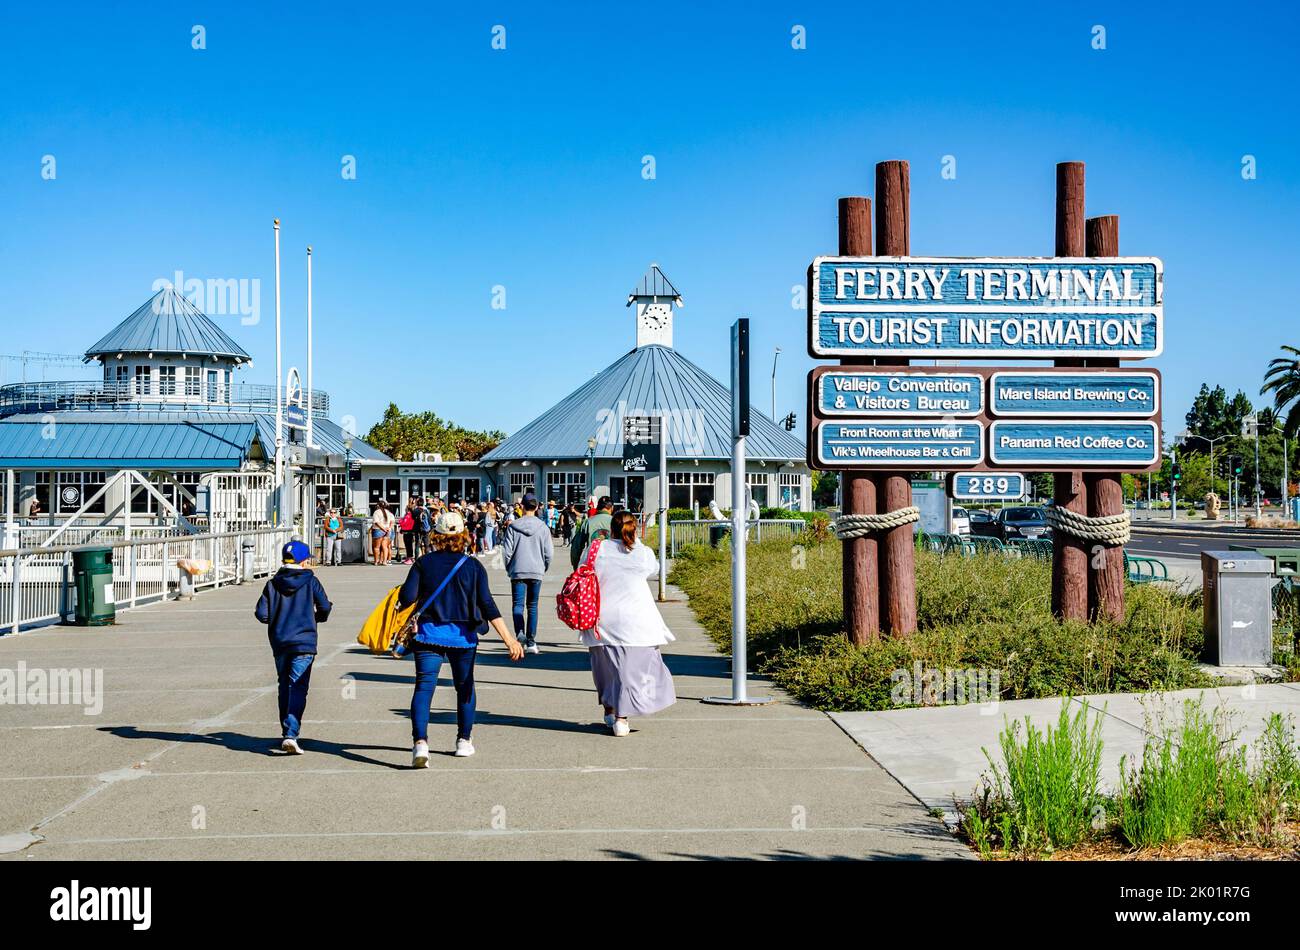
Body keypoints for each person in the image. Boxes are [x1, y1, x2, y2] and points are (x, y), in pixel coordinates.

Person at [397, 510, 524, 765]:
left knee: (424, 687)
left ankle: (420, 744)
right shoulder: (473, 566)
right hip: (463, 637)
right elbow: (487, 604)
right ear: (464, 535)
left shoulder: (423, 563)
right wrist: (509, 639)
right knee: (464, 687)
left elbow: (408, 597)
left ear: (436, 534)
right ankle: (463, 741)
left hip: (428, 634)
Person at [582, 511, 676, 736]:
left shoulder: (596, 549)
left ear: (611, 528)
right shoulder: (642, 553)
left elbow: (581, 569)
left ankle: (609, 710)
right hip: (635, 622)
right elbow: (655, 569)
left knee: (605, 670)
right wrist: (637, 542)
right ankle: (621, 719)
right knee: (629, 672)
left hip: (599, 619)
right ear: (635, 529)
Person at [254, 540, 333, 754]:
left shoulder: (272, 584)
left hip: (280, 641)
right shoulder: (311, 581)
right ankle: (291, 733)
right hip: (305, 640)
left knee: (284, 685)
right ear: (304, 561)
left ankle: (286, 730)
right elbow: (324, 606)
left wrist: (277, 620)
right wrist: (316, 617)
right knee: (297, 685)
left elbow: (262, 613)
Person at [499, 493, 553, 655]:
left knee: (517, 605)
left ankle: (519, 634)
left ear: (522, 506)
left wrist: (509, 568)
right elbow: (548, 553)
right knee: (533, 606)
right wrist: (544, 567)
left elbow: (506, 552)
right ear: (536, 507)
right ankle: (531, 641)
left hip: (517, 570)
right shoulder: (543, 527)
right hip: (536, 570)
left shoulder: (513, 526)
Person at [571, 495, 614, 568]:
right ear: (611, 507)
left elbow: (576, 547)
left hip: (592, 567)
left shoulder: (588, 522)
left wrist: (576, 566)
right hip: (612, 567)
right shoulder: (617, 522)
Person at [371, 501, 395, 565]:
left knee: (376, 547)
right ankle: (384, 561)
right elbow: (392, 522)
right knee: (385, 547)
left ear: (378, 506)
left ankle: (376, 561)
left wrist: (383, 528)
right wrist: (388, 528)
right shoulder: (388, 512)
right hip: (387, 531)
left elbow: (376, 522)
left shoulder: (376, 512)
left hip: (378, 530)